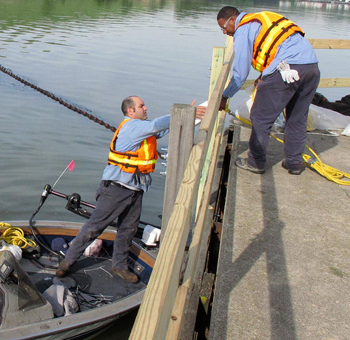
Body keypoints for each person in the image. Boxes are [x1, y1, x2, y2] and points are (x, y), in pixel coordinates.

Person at [56, 96, 205, 283]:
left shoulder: (141, 128)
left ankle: (119, 265)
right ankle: (66, 263)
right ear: (130, 111)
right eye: (142, 106)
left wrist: (187, 117)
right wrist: (181, 114)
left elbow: (160, 129)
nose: (146, 107)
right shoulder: (131, 127)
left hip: (134, 189)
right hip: (116, 189)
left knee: (128, 229)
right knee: (94, 227)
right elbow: (156, 125)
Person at [217, 6, 320, 175]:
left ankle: (255, 162)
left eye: (223, 27)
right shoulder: (262, 18)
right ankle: (294, 163)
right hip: (311, 68)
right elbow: (274, 47)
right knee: (297, 117)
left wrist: (225, 95)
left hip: (287, 70)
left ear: (233, 19)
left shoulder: (242, 29)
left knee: (260, 117)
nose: (224, 32)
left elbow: (240, 73)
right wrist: (264, 76)